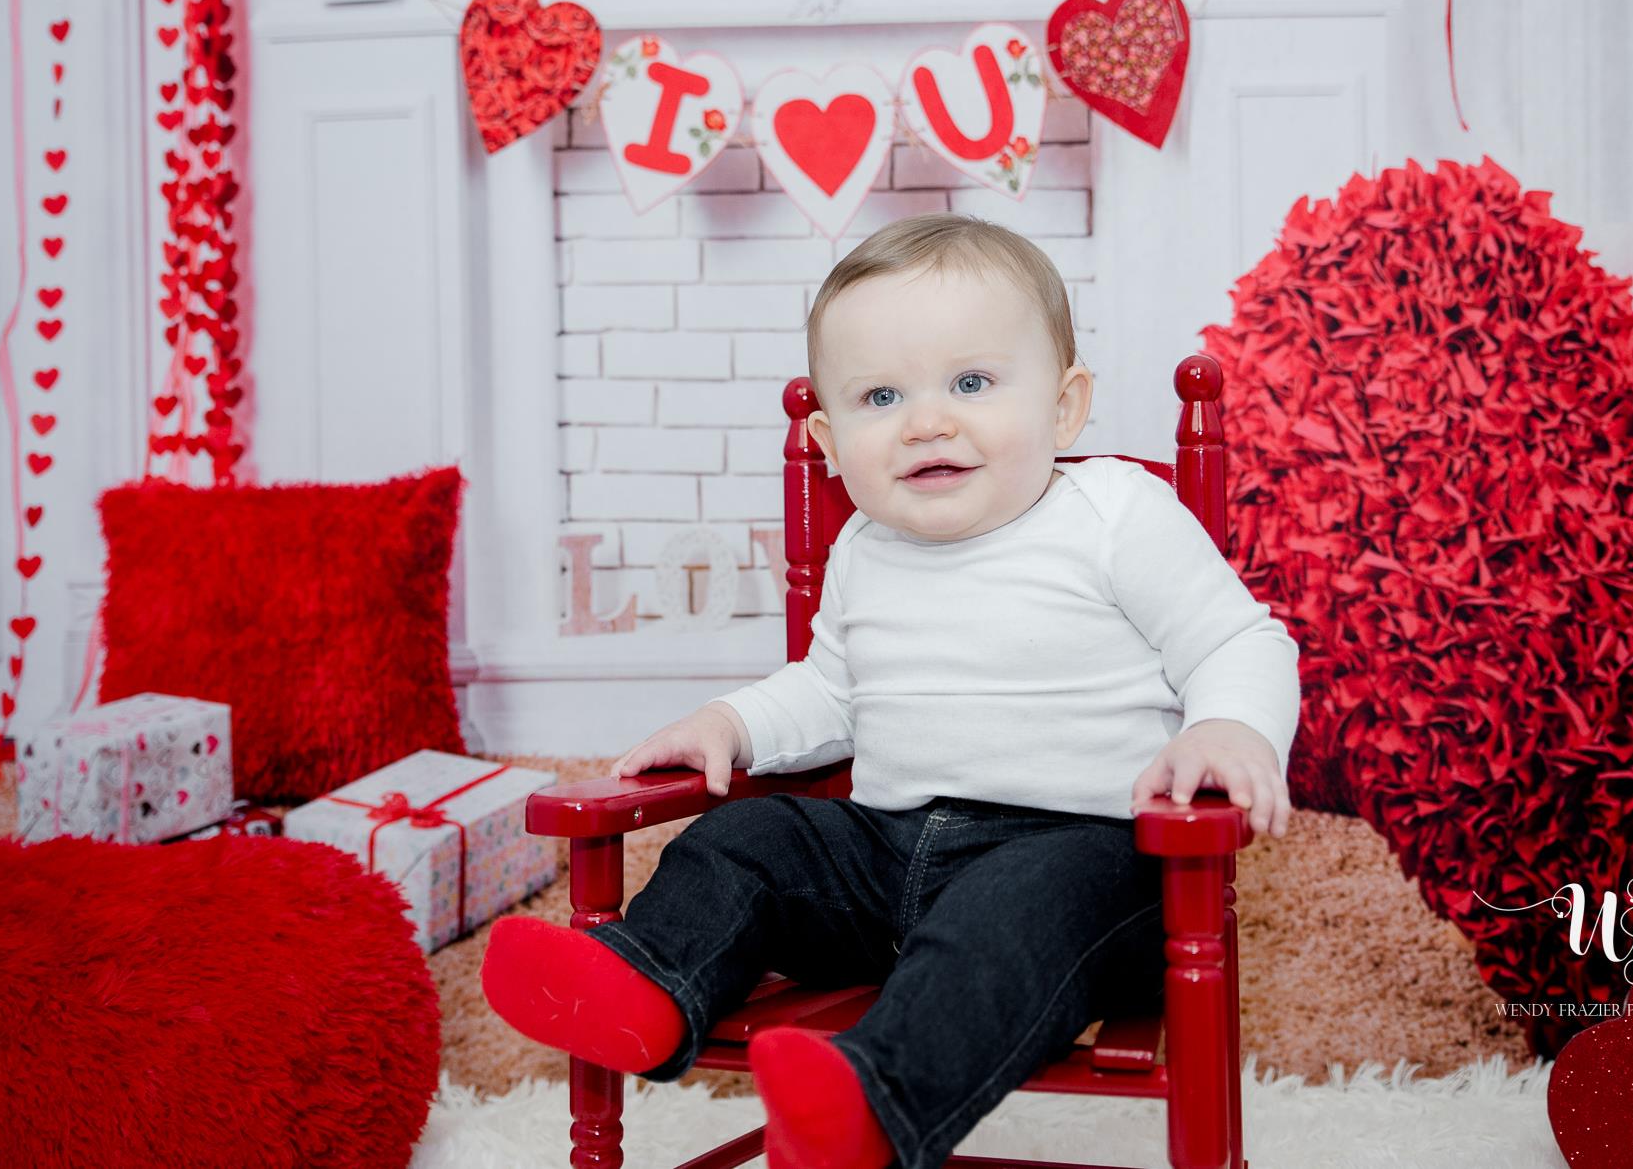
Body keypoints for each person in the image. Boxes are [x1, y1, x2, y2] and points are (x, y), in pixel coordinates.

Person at [481, 212, 1300, 1169]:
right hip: (888, 855)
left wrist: (1232, 728)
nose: (926, 420)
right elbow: (829, 690)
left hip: (1084, 855)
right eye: (880, 395)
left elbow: (1240, 639)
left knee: (1013, 911)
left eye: (972, 382)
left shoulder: (1115, 512)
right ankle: (647, 988)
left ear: (1066, 405)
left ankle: (872, 1101)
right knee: (747, 839)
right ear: (831, 439)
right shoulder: (866, 548)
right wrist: (730, 722)